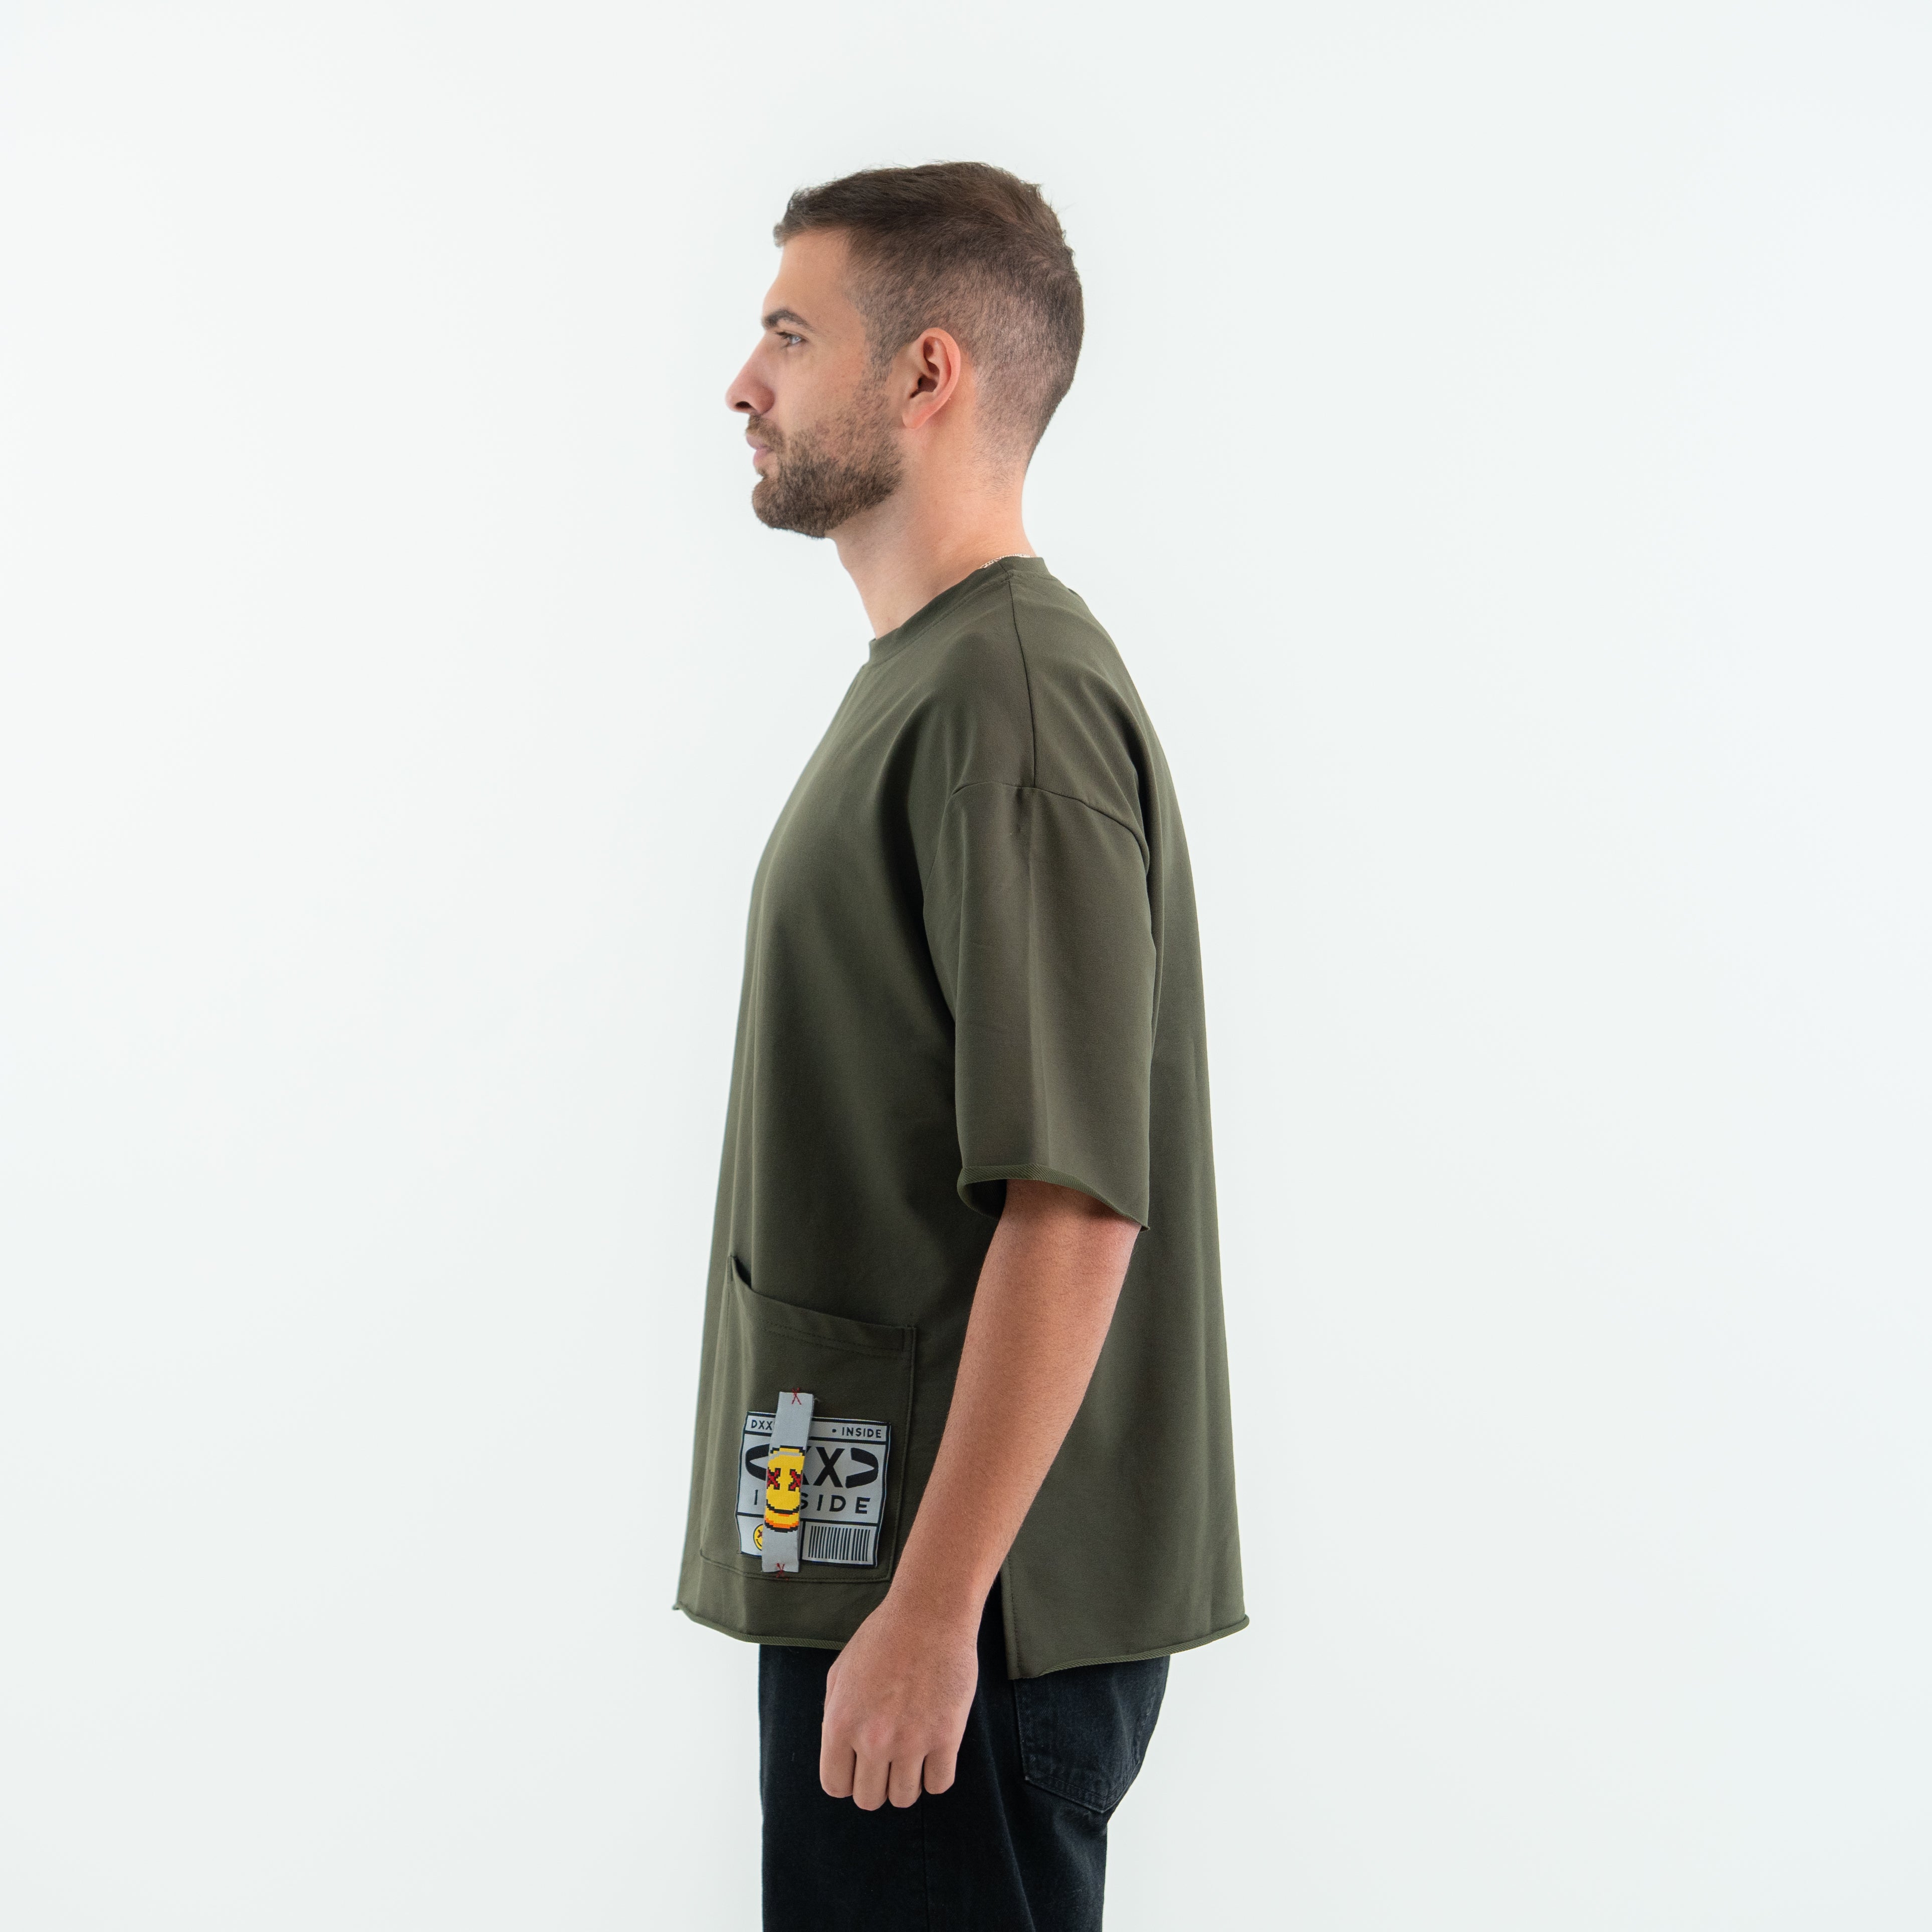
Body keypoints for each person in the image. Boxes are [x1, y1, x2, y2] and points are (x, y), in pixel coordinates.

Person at [675, 161, 1245, 1931]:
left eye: (790, 331)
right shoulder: (933, 678)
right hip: (886, 1580)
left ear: (928, 376)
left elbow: (1073, 1206)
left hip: (965, 1618)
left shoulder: (1008, 696)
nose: (742, 382)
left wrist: (926, 1618)